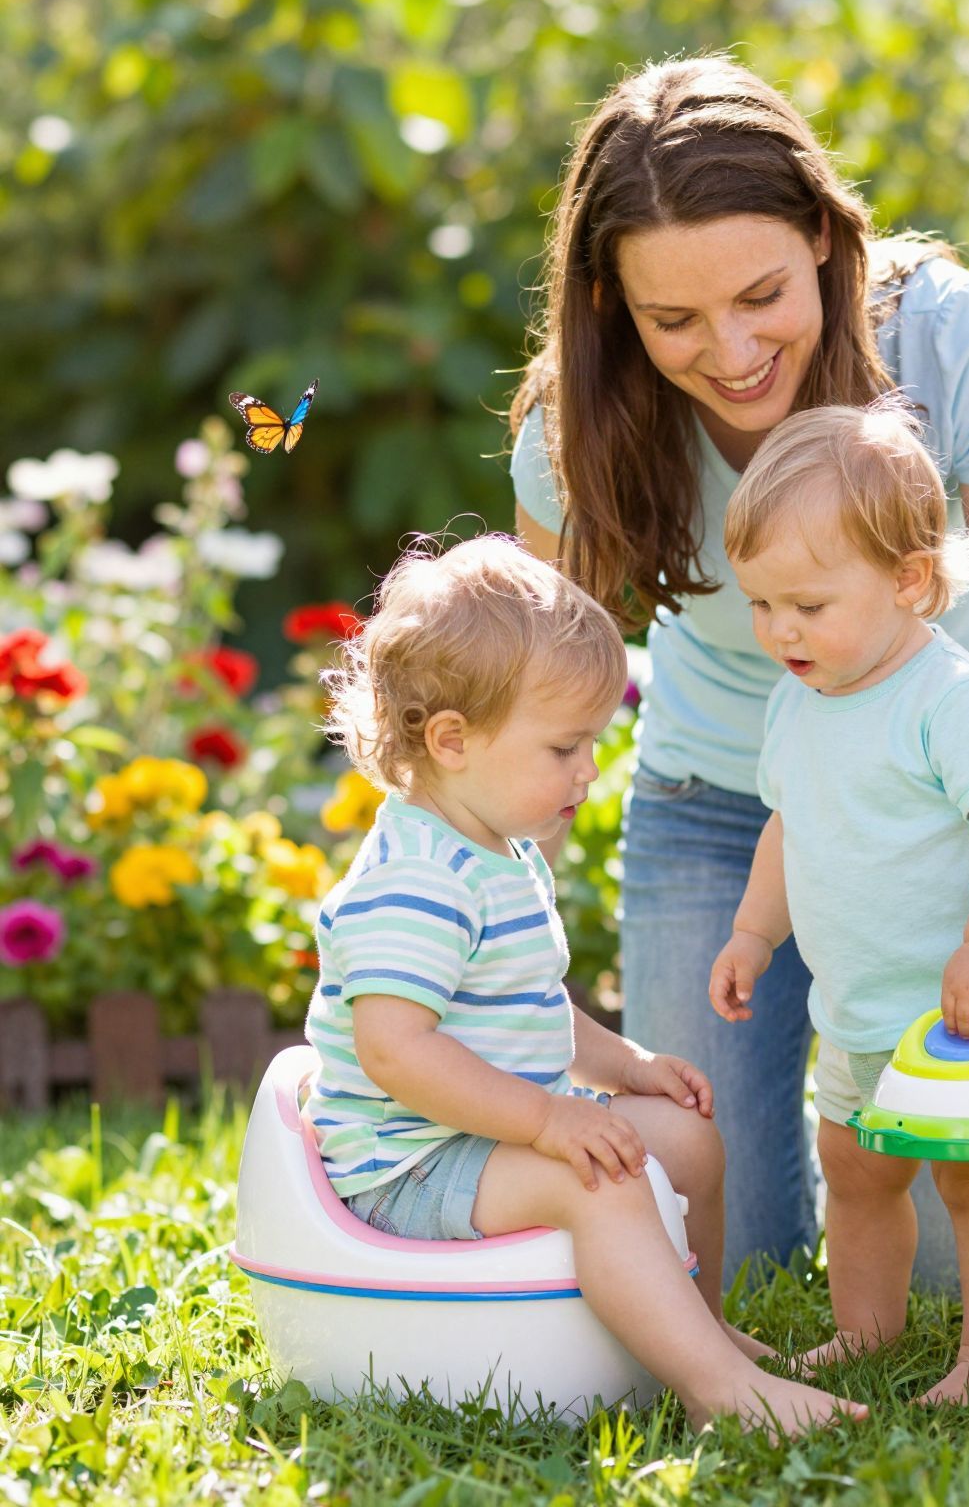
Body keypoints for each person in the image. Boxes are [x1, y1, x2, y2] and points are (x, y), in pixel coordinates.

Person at [507, 56, 969, 1288]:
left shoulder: (951, 337)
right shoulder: (581, 424)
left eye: (762, 294)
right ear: (612, 307)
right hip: (719, 814)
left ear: (826, 237)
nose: (728, 353)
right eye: (673, 321)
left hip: (950, 816)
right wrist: (495, 916)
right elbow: (532, 705)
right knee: (721, 1239)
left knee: (949, 1248)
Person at [305, 534, 864, 1432]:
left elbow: (527, 1008)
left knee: (682, 1141)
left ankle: (703, 1333)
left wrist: (627, 1066)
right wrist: (548, 1120)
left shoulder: (498, 850)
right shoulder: (415, 881)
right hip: (405, 1167)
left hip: (476, 1140)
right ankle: (719, 1392)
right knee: (597, 1181)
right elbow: (395, 1052)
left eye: (594, 743)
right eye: (565, 747)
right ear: (452, 741)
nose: (590, 769)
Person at [709, 402, 969, 1404]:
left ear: (909, 581)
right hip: (856, 1013)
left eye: (807, 606)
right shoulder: (796, 699)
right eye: (761, 605)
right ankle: (866, 1330)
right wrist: (750, 931)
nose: (779, 631)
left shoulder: (952, 699)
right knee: (854, 1173)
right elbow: (790, 829)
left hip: (962, 1011)